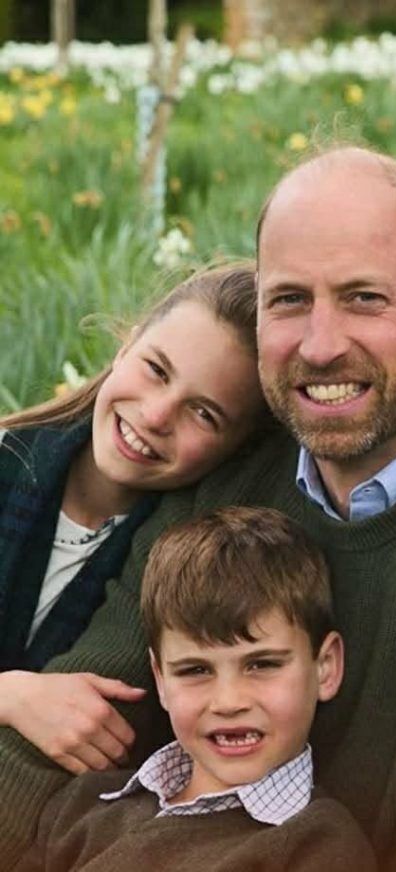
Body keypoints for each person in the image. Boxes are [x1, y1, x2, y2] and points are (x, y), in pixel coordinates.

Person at [0, 146, 396, 870]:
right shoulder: (221, 489)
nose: (321, 343)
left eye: (364, 298)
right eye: (290, 301)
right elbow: (37, 759)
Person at [0, 263, 267, 774]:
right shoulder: (9, 462)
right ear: (127, 345)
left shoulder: (179, 564)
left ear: (234, 452)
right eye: (156, 369)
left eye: (204, 413)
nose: (157, 414)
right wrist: (13, 696)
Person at [14, 506, 376, 871]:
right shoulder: (83, 807)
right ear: (160, 680)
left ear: (325, 667)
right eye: (195, 670)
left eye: (262, 665)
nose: (229, 702)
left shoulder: (318, 847)